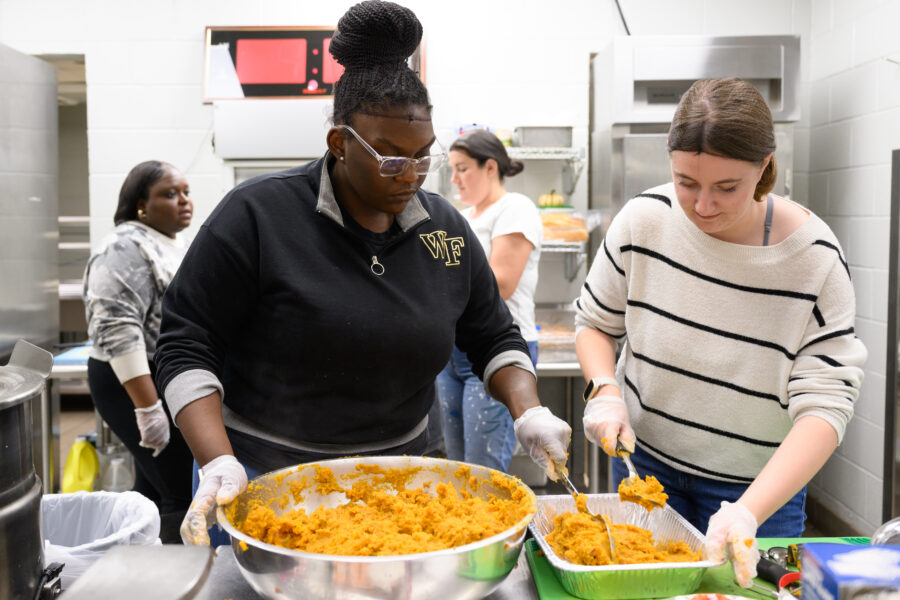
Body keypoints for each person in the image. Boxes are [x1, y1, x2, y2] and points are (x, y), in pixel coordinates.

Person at [153, 0, 572, 547]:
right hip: (265, 479)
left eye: (425, 157)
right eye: (392, 158)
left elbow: (492, 335)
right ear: (340, 144)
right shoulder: (258, 216)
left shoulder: (443, 231)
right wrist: (218, 461)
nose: (413, 175)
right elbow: (185, 344)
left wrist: (529, 410)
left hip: (405, 478)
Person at [573, 77, 866, 586]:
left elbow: (826, 406)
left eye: (726, 187)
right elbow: (595, 324)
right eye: (686, 182)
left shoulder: (814, 261)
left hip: (759, 491)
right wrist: (605, 390)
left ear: (765, 166)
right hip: (646, 471)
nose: (702, 205)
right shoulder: (645, 220)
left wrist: (748, 511)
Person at [83, 160, 195, 543]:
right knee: (180, 489)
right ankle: (177, 577)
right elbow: (117, 325)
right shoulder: (125, 244)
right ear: (140, 204)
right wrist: (148, 408)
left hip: (159, 374)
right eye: (169, 194)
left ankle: (130, 565)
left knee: (151, 485)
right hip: (131, 379)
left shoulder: (165, 242)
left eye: (185, 192)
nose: (184, 201)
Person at [436, 129, 542, 472]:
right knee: (457, 467)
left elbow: (502, 284)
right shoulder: (463, 218)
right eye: (451, 170)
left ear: (490, 167)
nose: (455, 180)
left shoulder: (515, 208)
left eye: (463, 168)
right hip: (453, 351)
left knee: (484, 471)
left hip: (498, 346)